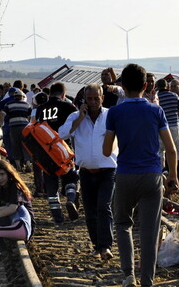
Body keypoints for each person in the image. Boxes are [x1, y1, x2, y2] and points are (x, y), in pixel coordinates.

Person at [103, 63, 179, 287]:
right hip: (152, 176)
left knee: (123, 223)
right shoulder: (156, 111)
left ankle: (128, 275)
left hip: (125, 174)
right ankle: (147, 280)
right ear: (146, 86)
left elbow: (107, 151)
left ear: (122, 86)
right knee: (150, 230)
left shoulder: (115, 113)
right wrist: (173, 175)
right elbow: (171, 149)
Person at [59, 83, 118, 261]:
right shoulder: (75, 116)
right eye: (89, 99)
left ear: (102, 98)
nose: (92, 102)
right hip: (85, 171)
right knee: (91, 212)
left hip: (108, 170)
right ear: (84, 100)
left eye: (96, 98)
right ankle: (97, 246)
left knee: (104, 207)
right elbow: (61, 134)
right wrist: (79, 119)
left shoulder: (110, 115)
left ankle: (106, 246)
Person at [35, 82, 79, 224]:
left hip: (46, 152)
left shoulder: (41, 109)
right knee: (70, 179)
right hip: (64, 150)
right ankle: (71, 199)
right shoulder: (69, 107)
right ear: (64, 94)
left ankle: (57, 216)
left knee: (51, 185)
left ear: (50, 94)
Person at [0, 88, 32, 172]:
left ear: (14, 97)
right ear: (22, 97)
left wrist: (1, 124)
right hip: (25, 127)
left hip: (13, 127)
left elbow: (3, 113)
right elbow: (30, 116)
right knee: (25, 145)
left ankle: (18, 166)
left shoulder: (9, 104)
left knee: (15, 145)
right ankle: (28, 163)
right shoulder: (27, 104)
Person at [156, 79, 179, 169]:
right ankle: (176, 170)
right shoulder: (174, 95)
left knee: (160, 149)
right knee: (176, 148)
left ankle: (161, 169)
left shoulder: (156, 97)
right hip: (174, 125)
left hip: (161, 126)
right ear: (167, 86)